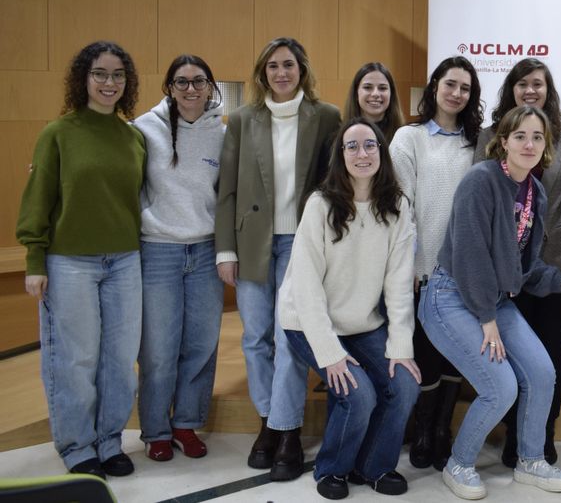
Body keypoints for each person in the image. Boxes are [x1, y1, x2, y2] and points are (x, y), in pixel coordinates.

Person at [421, 105, 561, 500]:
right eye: (520, 136)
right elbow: (470, 256)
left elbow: (524, 267)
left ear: (546, 145)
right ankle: (459, 464)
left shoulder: (535, 192)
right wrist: (486, 318)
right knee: (501, 387)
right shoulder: (481, 180)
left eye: (537, 137)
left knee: (543, 373)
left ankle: (531, 460)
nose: (529, 144)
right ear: (504, 142)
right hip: (451, 296)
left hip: (492, 301)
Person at [17, 41, 146, 478]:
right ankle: (76, 447)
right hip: (69, 263)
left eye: (118, 75)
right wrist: (35, 260)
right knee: (76, 359)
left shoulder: (132, 137)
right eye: (100, 74)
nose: (110, 83)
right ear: (83, 78)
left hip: (125, 262)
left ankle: (109, 441)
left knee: (120, 360)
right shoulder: (58, 133)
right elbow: (38, 198)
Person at [215, 37, 342, 480]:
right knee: (256, 337)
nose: (281, 73)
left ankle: (286, 429)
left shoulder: (326, 117)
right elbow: (227, 188)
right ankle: (268, 420)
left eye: (289, 64)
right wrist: (225, 249)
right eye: (273, 66)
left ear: (302, 69)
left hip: (301, 241)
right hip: (251, 241)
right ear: (262, 73)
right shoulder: (243, 119)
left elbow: (334, 182)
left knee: (290, 336)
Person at [278, 119, 421, 499]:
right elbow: (305, 287)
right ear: (340, 156)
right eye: (352, 146)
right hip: (307, 321)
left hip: (363, 322)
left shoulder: (397, 206)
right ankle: (332, 469)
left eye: (370, 145)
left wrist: (401, 346)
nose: (362, 153)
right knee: (358, 395)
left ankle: (374, 466)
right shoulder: (320, 205)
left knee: (405, 384)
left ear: (381, 152)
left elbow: (398, 284)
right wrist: (330, 354)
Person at [473, 59, 561, 468]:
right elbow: (480, 191)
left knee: (551, 351)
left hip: (557, 260)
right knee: (512, 353)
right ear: (512, 90)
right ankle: (514, 435)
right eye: (522, 84)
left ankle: (544, 434)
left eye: (538, 83)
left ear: (548, 89)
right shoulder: (491, 135)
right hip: (507, 265)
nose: (530, 90)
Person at [390, 56, 483, 471]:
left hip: (466, 271)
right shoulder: (408, 138)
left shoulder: (478, 142)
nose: (456, 94)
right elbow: (399, 206)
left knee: (456, 356)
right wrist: (409, 263)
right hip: (424, 268)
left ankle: (443, 429)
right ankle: (424, 430)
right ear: (434, 87)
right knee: (426, 353)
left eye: (465, 88)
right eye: (450, 84)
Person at [133, 55, 226, 462]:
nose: (191, 89)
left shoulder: (222, 134)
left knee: (201, 344)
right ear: (169, 87)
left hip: (205, 251)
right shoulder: (144, 129)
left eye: (199, 81)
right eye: (182, 82)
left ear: (210, 87)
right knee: (158, 349)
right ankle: (155, 429)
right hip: (158, 250)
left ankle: (186, 423)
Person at [344, 62, 404, 142]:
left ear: (391, 94)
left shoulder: (404, 137)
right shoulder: (339, 137)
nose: (375, 94)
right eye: (367, 87)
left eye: (382, 88)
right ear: (356, 94)